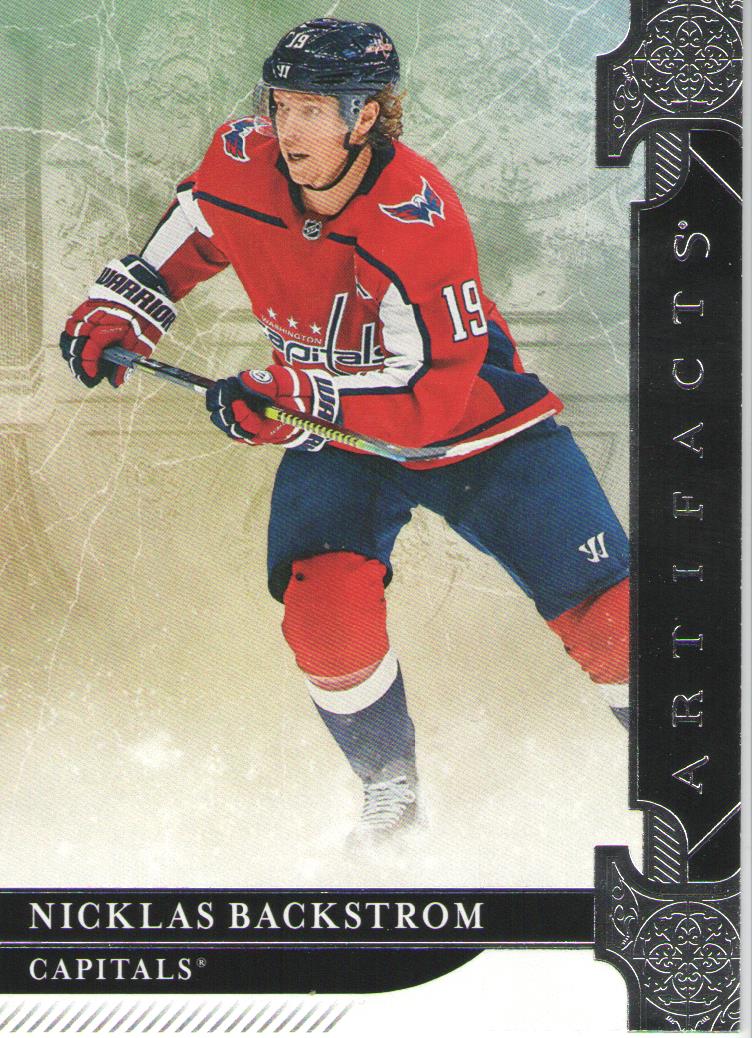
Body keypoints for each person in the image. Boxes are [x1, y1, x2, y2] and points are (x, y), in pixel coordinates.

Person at [60, 17, 630, 845]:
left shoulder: (418, 215)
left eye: (312, 110)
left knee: (613, 621)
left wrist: (296, 397)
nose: (287, 128)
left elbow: (431, 399)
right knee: (324, 618)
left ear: (365, 116)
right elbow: (202, 218)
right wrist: (133, 298)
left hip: (475, 426)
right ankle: (390, 790)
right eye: (281, 103)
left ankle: (688, 767)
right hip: (334, 431)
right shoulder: (243, 156)